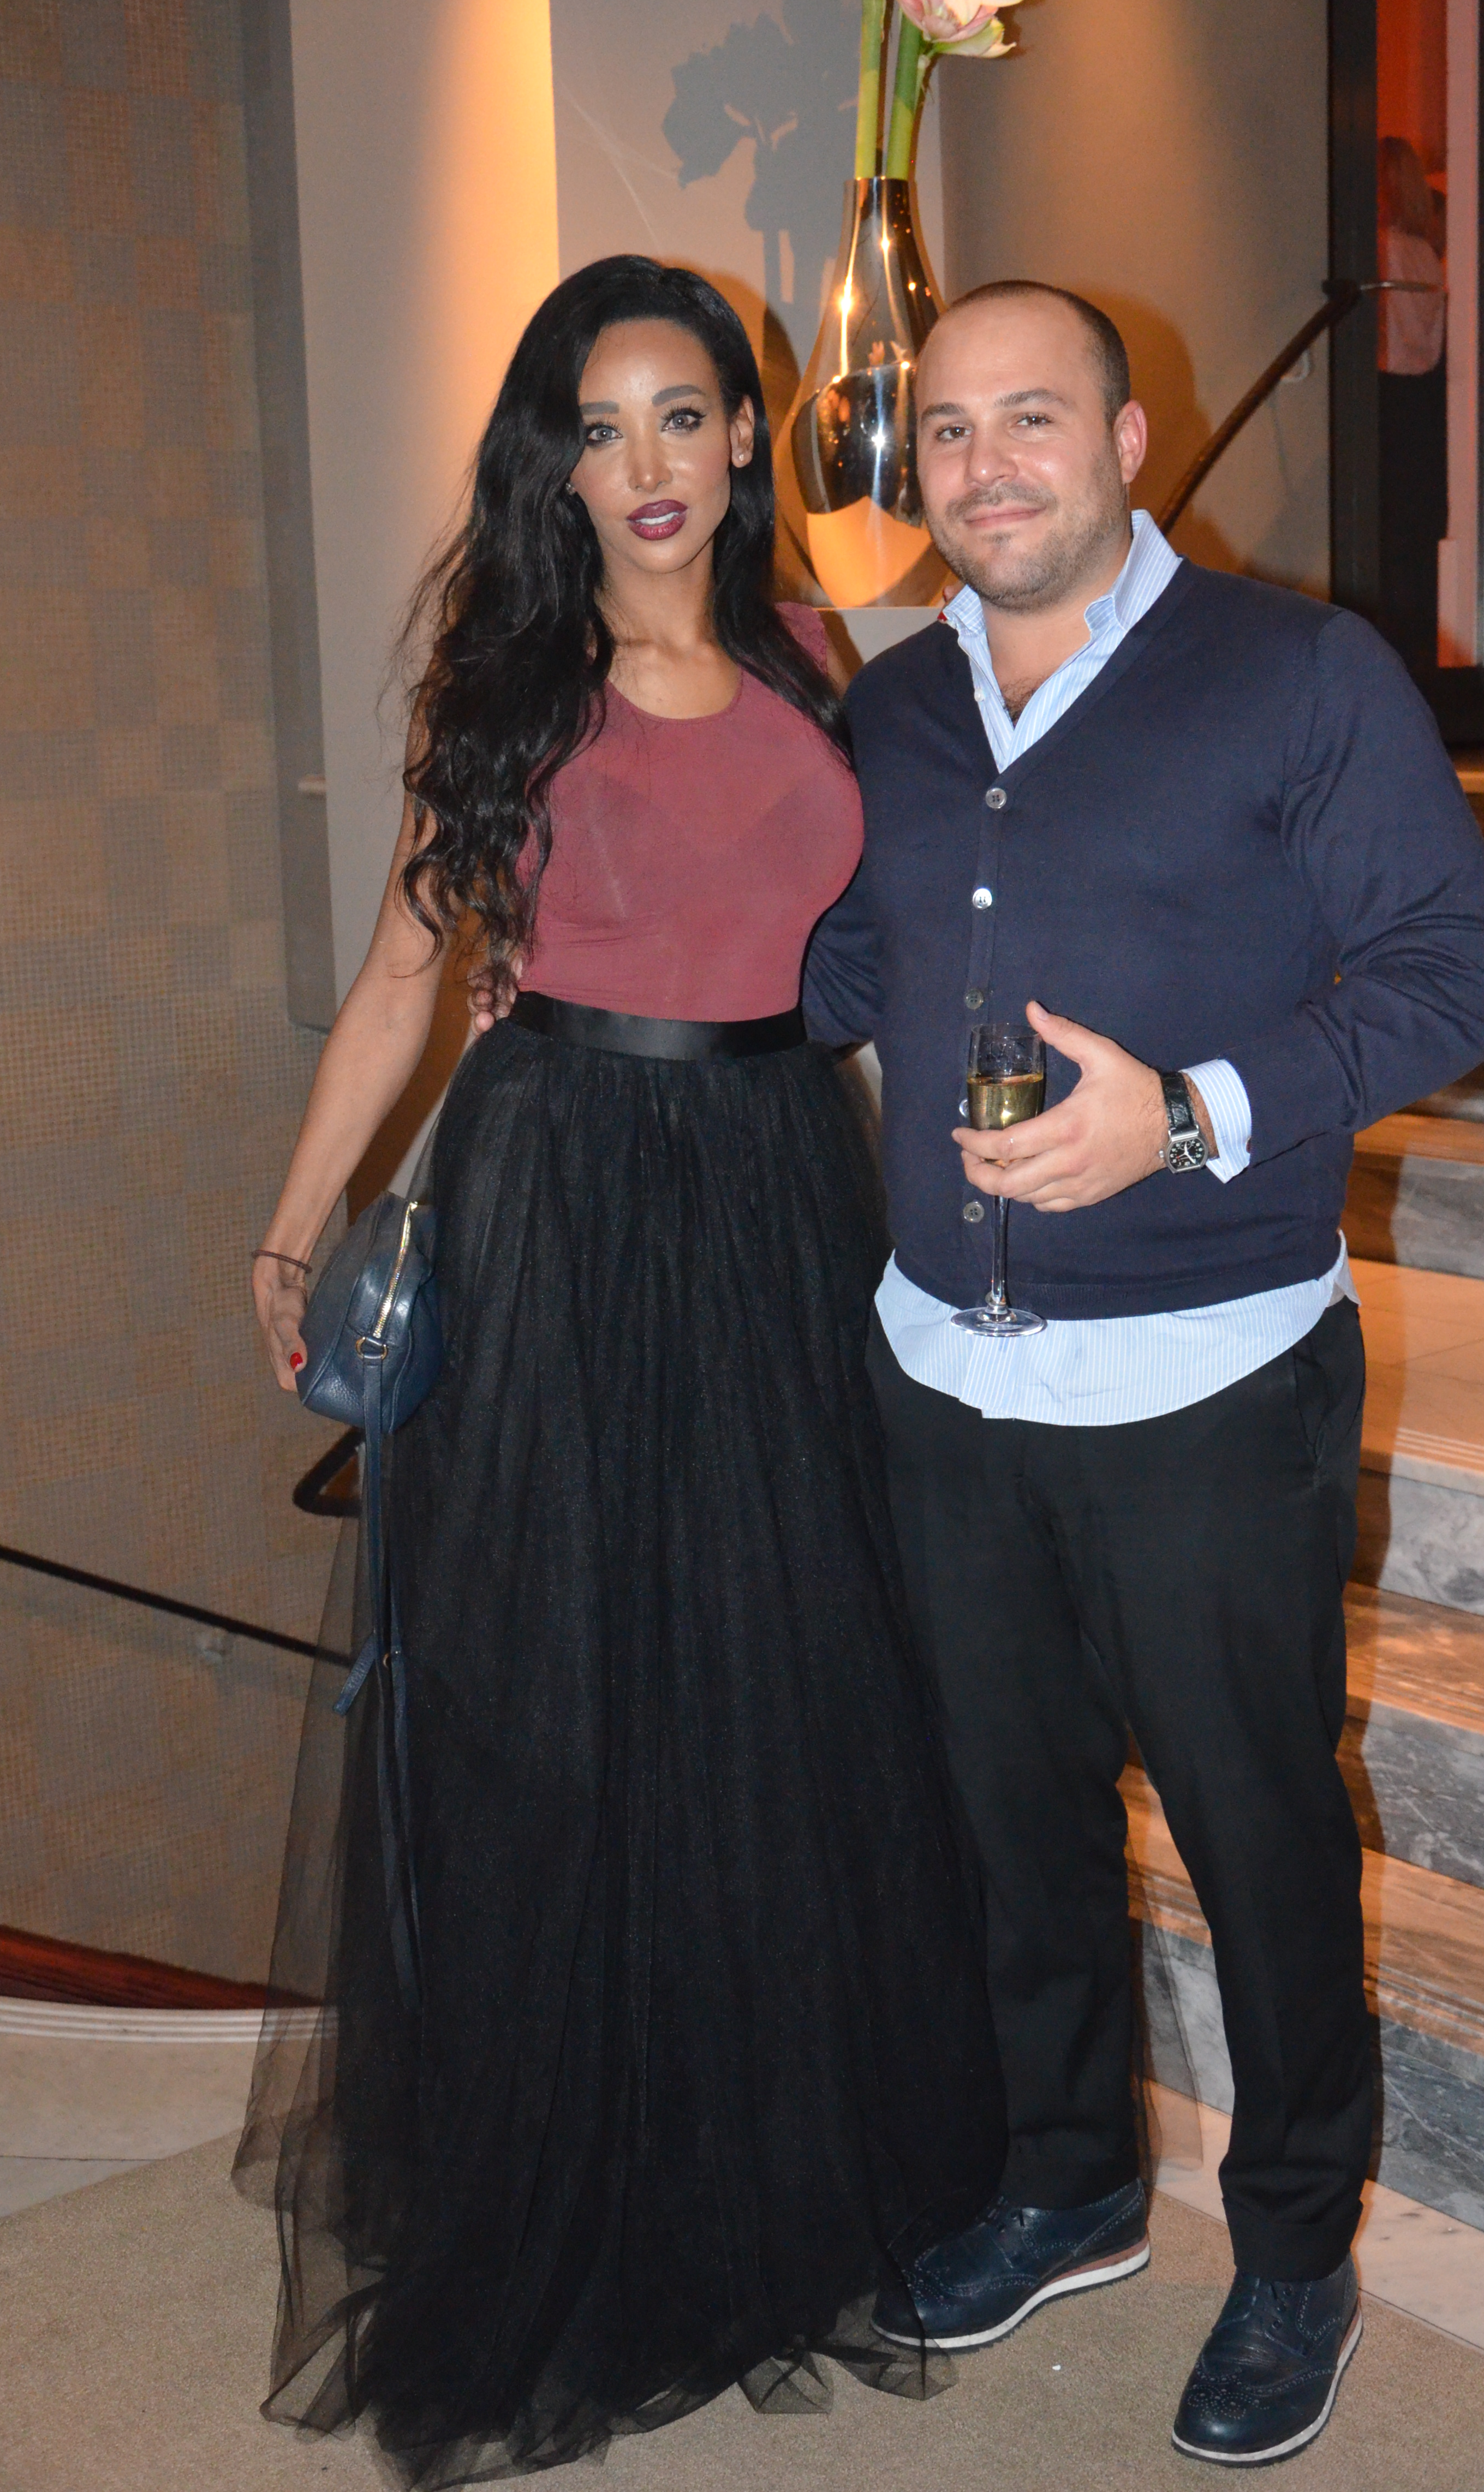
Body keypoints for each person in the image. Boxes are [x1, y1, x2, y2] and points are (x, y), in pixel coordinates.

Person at [238, 255, 1006, 2485]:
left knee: (781, 1685)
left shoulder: (819, 660)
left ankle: (769, 2176)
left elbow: (887, 939)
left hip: (778, 1187)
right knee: (571, 1694)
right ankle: (578, 2197)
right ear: (554, 463)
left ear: (749, 438)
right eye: (600, 425)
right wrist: (295, 1216)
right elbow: (405, 975)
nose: (647, 462)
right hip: (565, 1195)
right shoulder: (511, 687)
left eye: (684, 414)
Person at [800, 279, 1484, 2466]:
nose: (985, 463)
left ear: (1127, 440)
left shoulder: (1296, 672)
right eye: (947, 429)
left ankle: (1292, 2246)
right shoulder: (890, 706)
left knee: (1257, 1834)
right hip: (945, 1373)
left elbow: (1455, 972)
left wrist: (1189, 1112)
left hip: (1209, 1379)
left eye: (1033, 418)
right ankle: (1070, 2178)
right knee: (1012, 1825)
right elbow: (838, 964)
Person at [1377, 135, 1448, 677]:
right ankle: (1418, 652)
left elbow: (1386, 340)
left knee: (1387, 533)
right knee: (1416, 533)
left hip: (1388, 396)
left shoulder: (1384, 250)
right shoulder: (1427, 255)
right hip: (1425, 400)